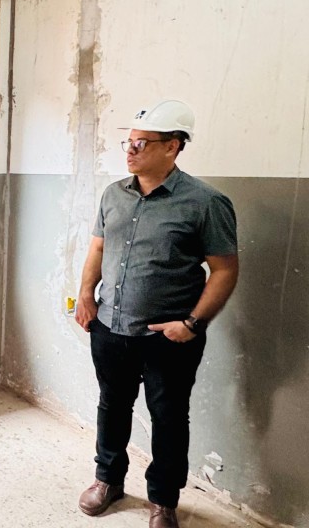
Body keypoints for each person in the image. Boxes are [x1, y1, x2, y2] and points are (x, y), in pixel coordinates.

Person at [74, 100, 239, 528]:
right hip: (111, 327)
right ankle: (108, 480)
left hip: (169, 338)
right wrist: (86, 295)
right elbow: (98, 248)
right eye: (129, 142)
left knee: (168, 418)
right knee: (112, 406)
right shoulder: (114, 194)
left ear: (173, 146)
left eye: (142, 143)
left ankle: (163, 501)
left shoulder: (205, 202)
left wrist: (192, 324)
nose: (130, 150)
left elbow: (224, 270)